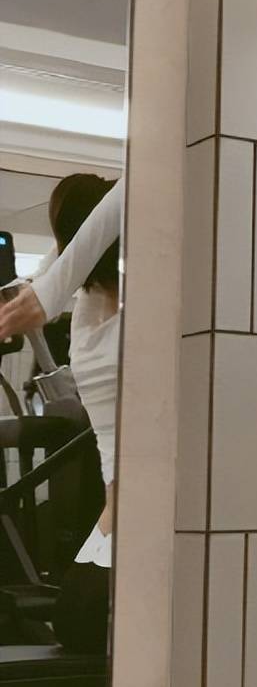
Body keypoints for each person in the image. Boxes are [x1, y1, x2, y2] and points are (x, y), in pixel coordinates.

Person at [0, 174, 122, 652]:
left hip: (137, 512)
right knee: (78, 628)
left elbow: (126, 193)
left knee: (80, 627)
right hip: (118, 512)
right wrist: (48, 285)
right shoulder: (96, 314)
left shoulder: (98, 323)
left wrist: (50, 286)